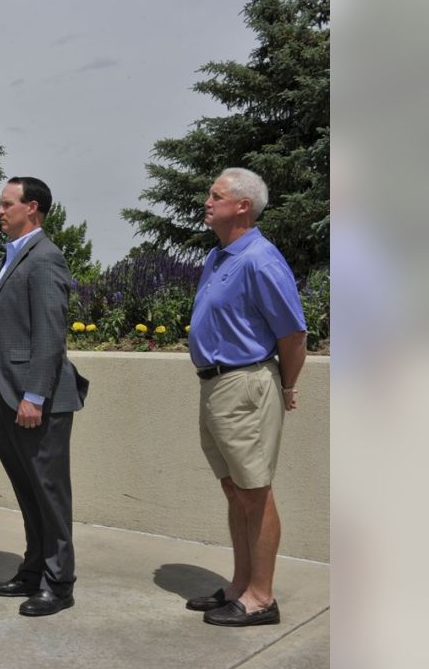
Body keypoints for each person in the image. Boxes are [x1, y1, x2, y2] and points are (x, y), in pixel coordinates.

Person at [183, 168, 306, 628]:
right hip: (215, 385)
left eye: (216, 195)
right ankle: (239, 585)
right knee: (234, 490)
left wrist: (288, 386)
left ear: (242, 206)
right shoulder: (220, 257)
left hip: (244, 385)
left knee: (255, 493)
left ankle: (262, 597)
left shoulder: (260, 259)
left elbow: (293, 335)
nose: (207, 202)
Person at [0, 176, 90, 618]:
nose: (0, 211)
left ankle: (59, 582)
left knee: (49, 493)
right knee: (27, 491)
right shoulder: (13, 257)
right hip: (7, 398)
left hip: (36, 403)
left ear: (33, 208)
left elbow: (49, 336)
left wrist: (34, 396)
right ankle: (32, 569)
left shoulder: (45, 259)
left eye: (8, 204)